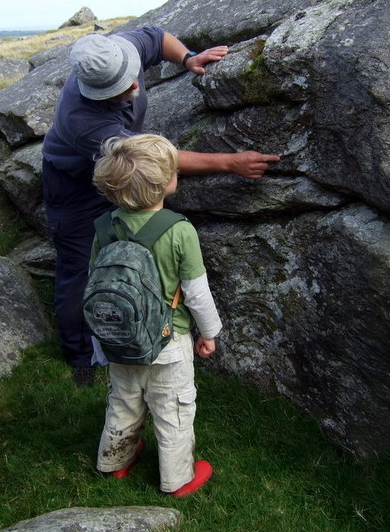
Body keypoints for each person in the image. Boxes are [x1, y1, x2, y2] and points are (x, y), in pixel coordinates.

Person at [42, 26, 279, 386]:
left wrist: (188, 58)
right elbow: (153, 161)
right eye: (122, 89)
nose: (136, 86)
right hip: (76, 186)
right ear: (96, 93)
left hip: (122, 161)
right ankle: (82, 355)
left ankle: (138, 317)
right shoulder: (85, 122)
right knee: (79, 268)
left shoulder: (121, 50)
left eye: (131, 77)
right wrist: (230, 163)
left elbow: (156, 37)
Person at [91, 133, 221, 497]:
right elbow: (196, 292)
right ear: (167, 183)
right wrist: (209, 333)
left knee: (123, 401)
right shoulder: (179, 230)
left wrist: (99, 339)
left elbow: (94, 284)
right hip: (169, 341)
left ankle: (113, 462)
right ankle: (177, 479)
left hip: (119, 340)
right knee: (173, 410)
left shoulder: (104, 227)